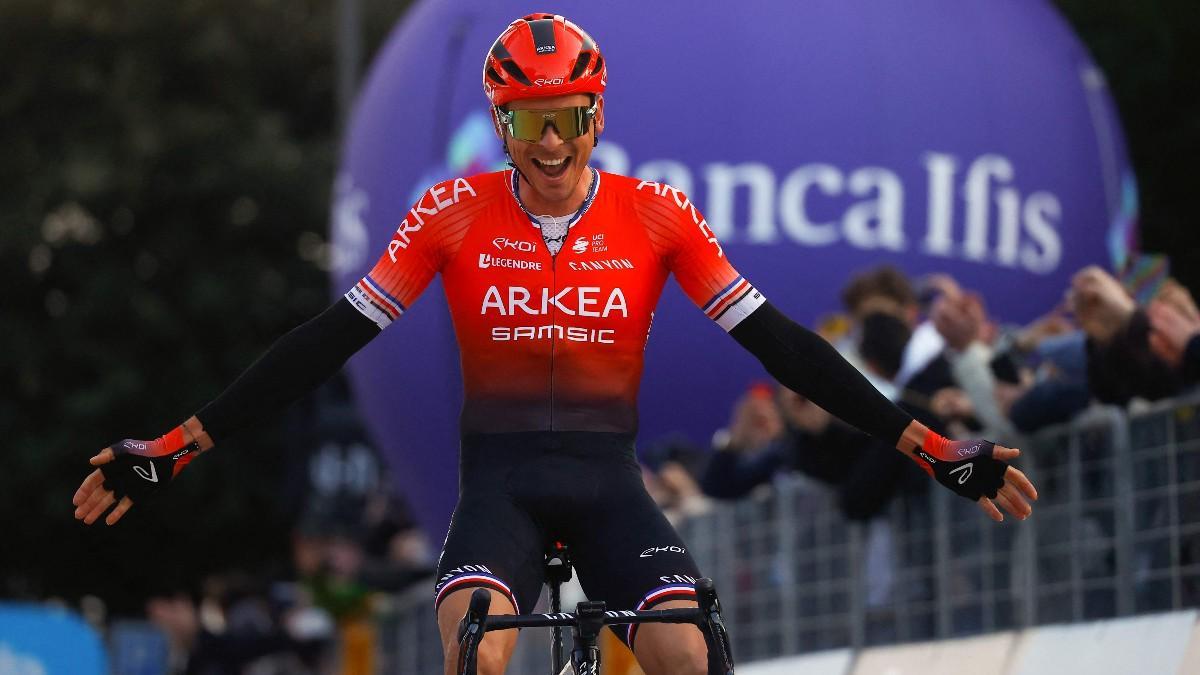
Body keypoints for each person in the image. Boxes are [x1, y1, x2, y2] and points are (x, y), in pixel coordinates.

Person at [72, 14, 1039, 675]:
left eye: (567, 119)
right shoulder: (451, 214)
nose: (548, 145)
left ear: (597, 114)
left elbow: (783, 347)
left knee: (685, 653)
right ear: (501, 123)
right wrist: (173, 445)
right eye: (528, 122)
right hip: (499, 488)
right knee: (481, 651)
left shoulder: (656, 217)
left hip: (609, 483)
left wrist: (932, 447)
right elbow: (325, 342)